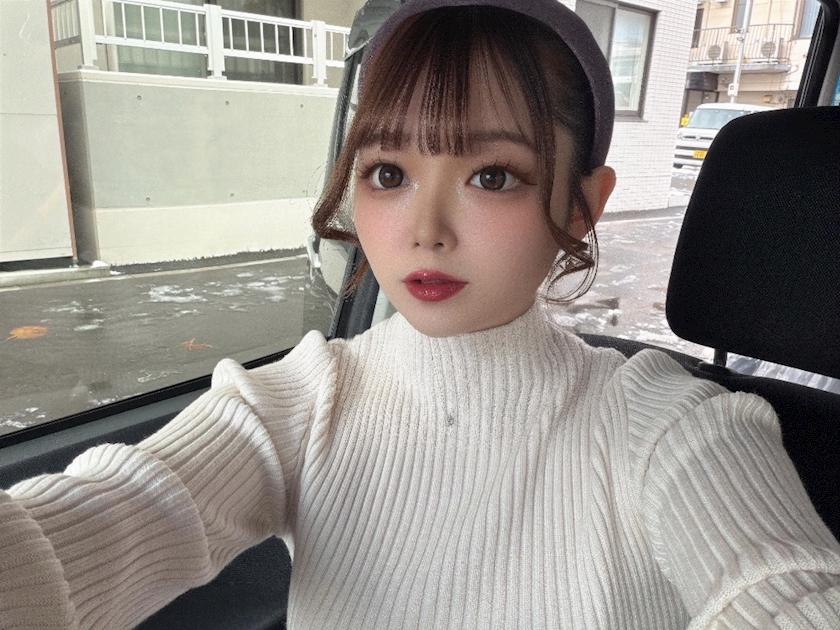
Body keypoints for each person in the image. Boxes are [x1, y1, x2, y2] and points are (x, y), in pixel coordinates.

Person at [2, 1, 840, 628]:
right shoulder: (300, 399)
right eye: (388, 173)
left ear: (583, 205)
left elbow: (782, 591)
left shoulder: (673, 425)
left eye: (492, 176)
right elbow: (102, 525)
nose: (424, 230)